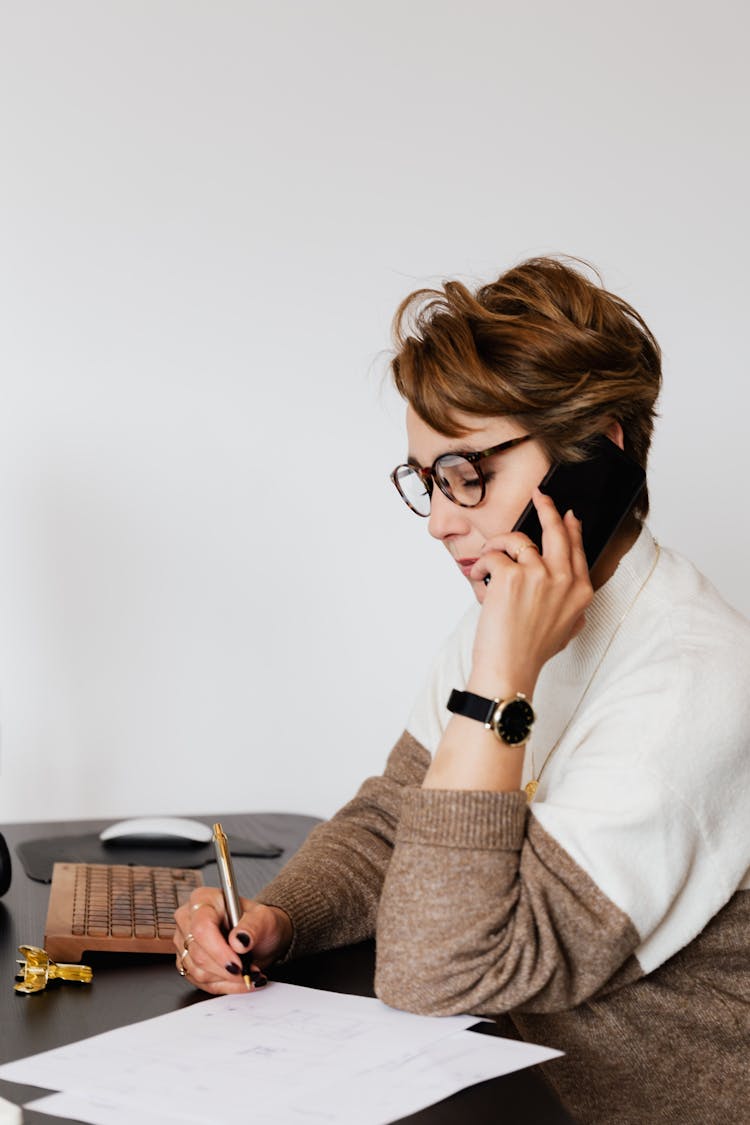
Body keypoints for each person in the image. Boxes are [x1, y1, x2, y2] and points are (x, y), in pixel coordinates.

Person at [174, 257, 750, 1124]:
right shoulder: (514, 619)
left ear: (596, 453)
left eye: (468, 471)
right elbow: (392, 823)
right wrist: (278, 917)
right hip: (494, 1081)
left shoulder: (696, 679)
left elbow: (434, 967)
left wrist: (499, 687)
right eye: (428, 479)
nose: (443, 517)